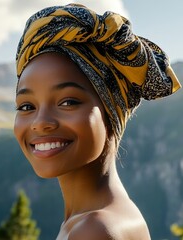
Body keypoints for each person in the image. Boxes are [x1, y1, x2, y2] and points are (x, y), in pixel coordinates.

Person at [13, 4, 181, 240]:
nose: (40, 123)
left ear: (110, 112)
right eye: (26, 106)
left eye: (68, 102)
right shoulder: (99, 220)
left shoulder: (93, 230)